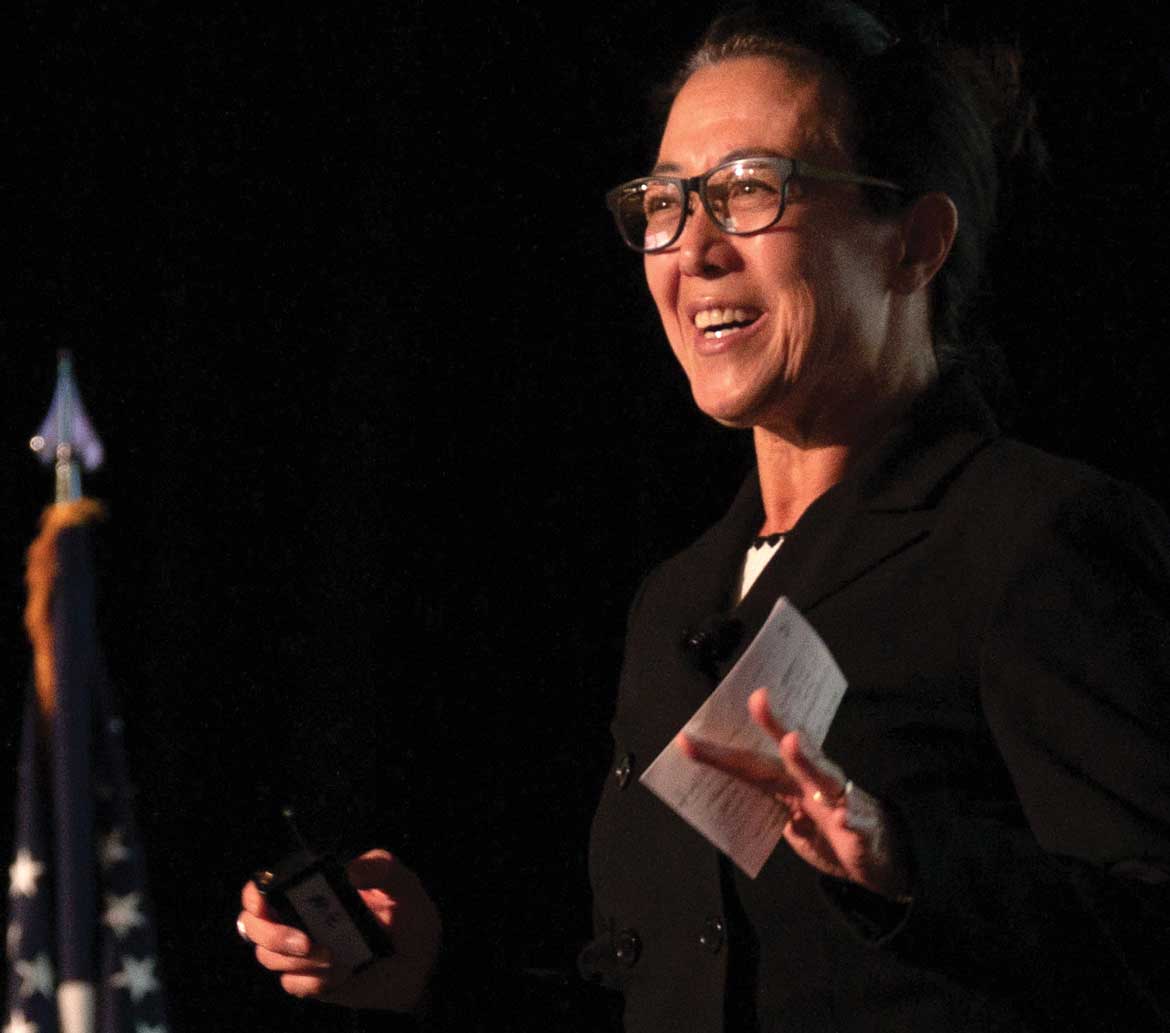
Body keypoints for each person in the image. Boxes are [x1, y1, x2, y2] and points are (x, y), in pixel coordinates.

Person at [238, 2, 1170, 1029]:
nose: (694, 249)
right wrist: (429, 975)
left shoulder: (1030, 540)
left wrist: (908, 868)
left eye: (750, 192)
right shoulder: (677, 600)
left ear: (915, 243)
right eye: (667, 203)